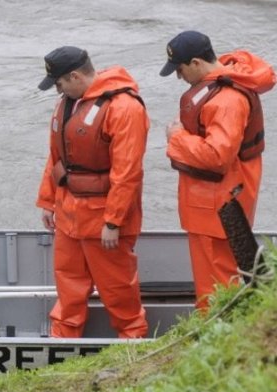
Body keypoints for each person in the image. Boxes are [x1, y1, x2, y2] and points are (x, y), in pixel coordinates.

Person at [36, 46, 149, 338]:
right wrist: (48, 201)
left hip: (103, 220)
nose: (57, 90)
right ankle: (61, 342)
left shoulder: (124, 107)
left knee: (118, 287)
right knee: (68, 284)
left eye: (59, 84)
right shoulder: (67, 102)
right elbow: (56, 157)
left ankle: (132, 341)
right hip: (68, 214)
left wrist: (113, 222)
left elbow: (127, 173)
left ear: (74, 76)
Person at [160, 30, 276, 309]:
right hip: (217, 204)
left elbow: (216, 157)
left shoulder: (227, 100)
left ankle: (216, 335)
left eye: (180, 69)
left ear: (198, 63)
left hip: (218, 208)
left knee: (216, 284)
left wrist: (176, 137)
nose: (179, 76)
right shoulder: (224, 82)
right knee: (218, 277)